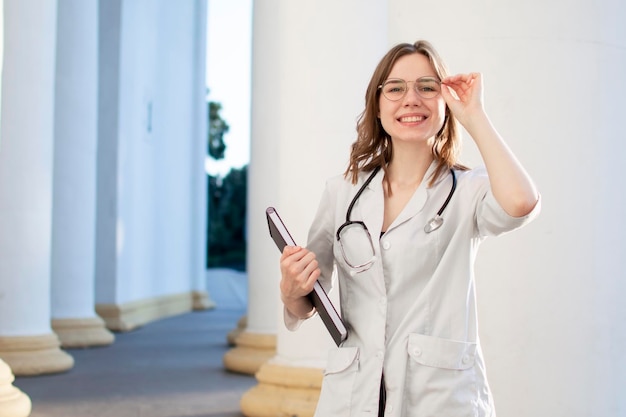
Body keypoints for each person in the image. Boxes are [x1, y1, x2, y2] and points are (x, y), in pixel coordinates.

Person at [278, 40, 540, 416]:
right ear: (378, 104)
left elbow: (521, 203)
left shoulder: (469, 190)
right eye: (396, 88)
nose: (411, 98)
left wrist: (474, 115)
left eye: (427, 87)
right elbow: (307, 299)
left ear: (444, 102)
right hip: (353, 395)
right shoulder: (342, 192)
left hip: (440, 397)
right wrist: (290, 289)